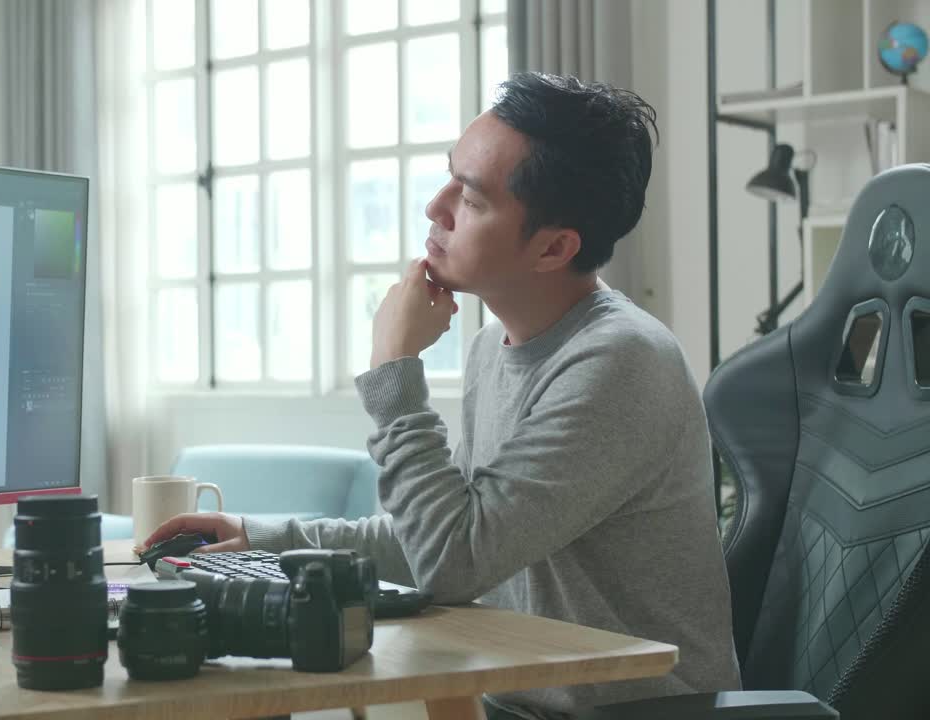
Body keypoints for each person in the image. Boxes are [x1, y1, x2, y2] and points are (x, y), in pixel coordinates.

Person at [144, 73, 740, 719]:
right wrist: (263, 537)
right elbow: (440, 537)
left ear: (553, 247)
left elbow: (451, 562)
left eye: (473, 199)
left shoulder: (621, 361)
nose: (436, 206)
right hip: (517, 702)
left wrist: (394, 368)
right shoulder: (496, 349)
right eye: (450, 176)